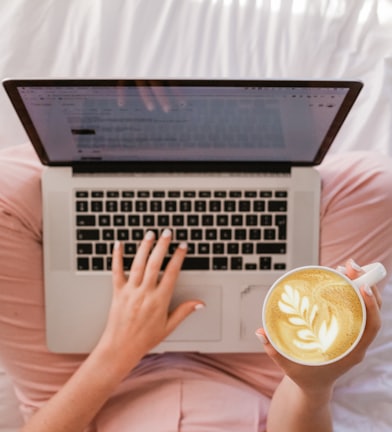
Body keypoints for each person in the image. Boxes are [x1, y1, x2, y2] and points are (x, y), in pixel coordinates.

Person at [0, 143, 391, 432]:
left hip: (91, 387)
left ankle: (120, 147)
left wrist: (119, 348)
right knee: (378, 186)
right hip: (261, 381)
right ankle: (229, 149)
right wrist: (311, 383)